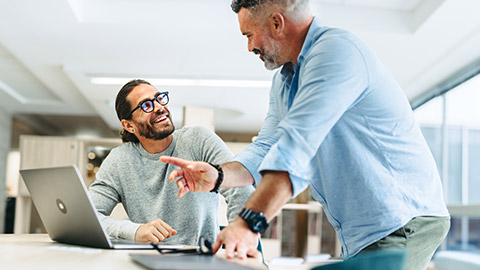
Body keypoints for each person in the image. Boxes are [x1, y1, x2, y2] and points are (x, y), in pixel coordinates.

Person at [160, 0, 450, 269]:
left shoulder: (336, 52)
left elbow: (295, 147)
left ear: (276, 23)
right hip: (366, 231)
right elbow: (266, 148)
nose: (249, 47)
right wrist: (219, 175)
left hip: (403, 220)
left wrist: (248, 224)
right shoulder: (285, 81)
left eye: (249, 35)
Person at [88, 79, 254, 246]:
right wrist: (135, 231)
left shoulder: (199, 139)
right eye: (146, 105)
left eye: (159, 99)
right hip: (149, 258)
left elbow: (241, 189)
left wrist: (239, 239)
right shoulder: (119, 160)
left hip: (200, 258)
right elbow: (89, 217)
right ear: (129, 125)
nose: (160, 107)